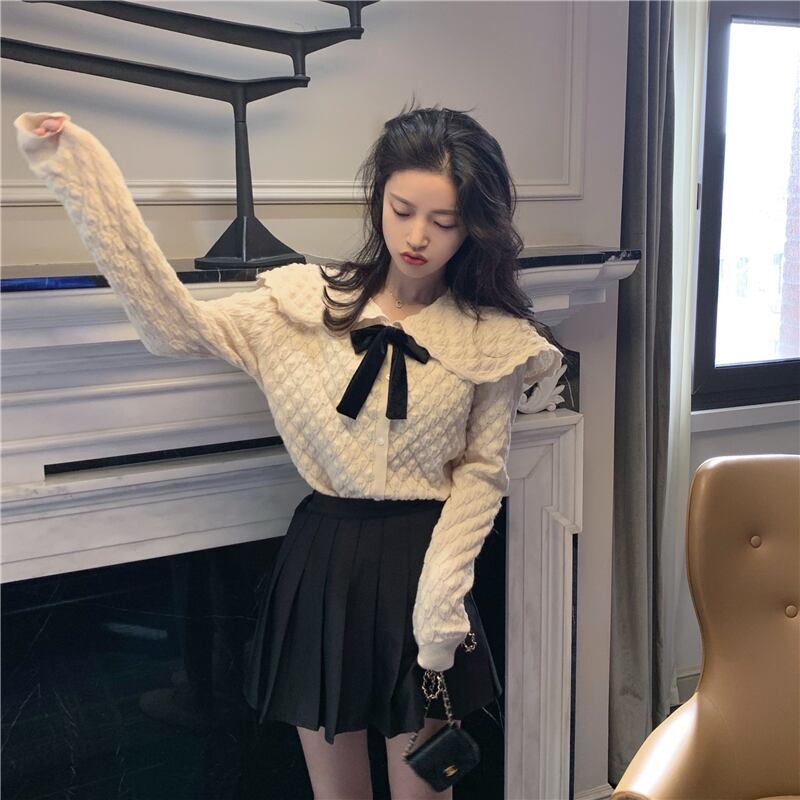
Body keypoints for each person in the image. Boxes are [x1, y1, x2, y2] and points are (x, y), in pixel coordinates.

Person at [16, 102, 566, 799]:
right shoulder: (300, 305)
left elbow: (482, 475)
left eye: (445, 221)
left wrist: (439, 602)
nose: (417, 236)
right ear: (378, 198)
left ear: (473, 227)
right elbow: (171, 326)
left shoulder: (492, 339)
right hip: (323, 566)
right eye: (402, 210)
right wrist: (80, 173)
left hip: (427, 567)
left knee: (424, 792)